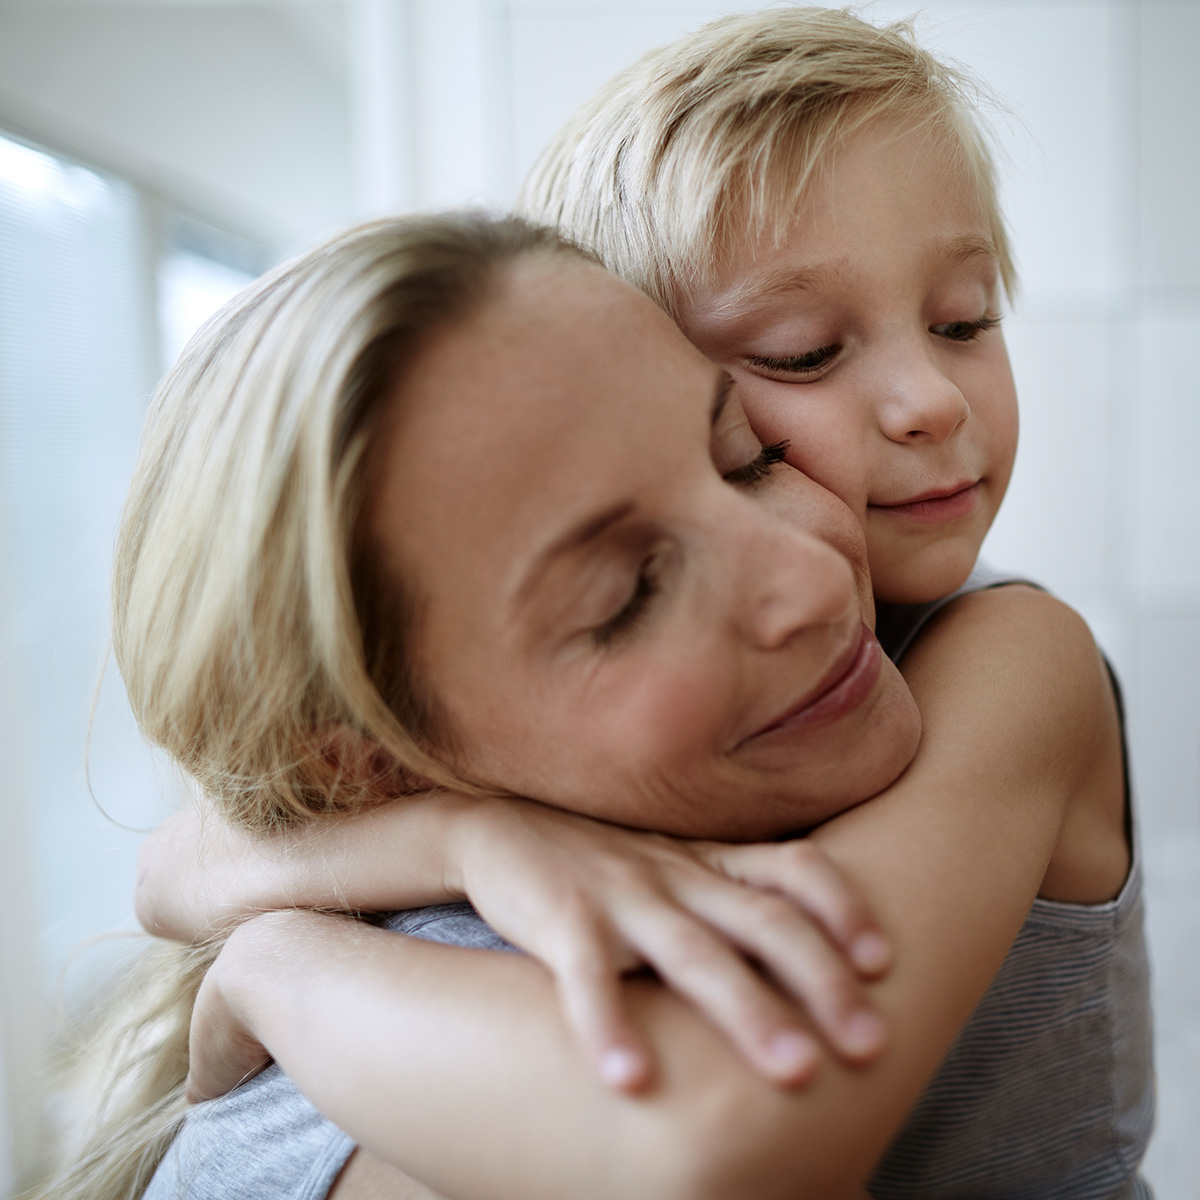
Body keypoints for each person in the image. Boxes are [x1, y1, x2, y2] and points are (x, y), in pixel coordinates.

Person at [127, 7, 1151, 1200]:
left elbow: (732, 1137)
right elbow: (179, 864)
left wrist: (275, 964)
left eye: (744, 460)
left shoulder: (1004, 652)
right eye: (802, 353)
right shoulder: (439, 921)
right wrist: (451, 844)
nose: (932, 399)